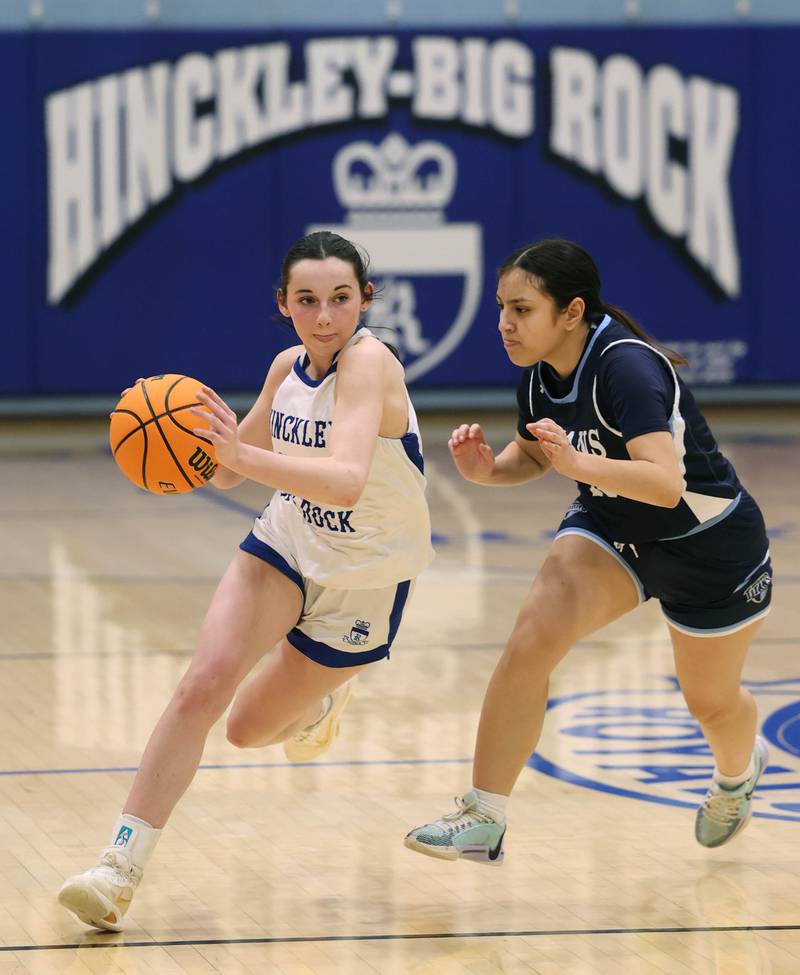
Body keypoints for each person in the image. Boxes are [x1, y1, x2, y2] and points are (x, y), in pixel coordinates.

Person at [58, 230, 434, 931]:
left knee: (248, 728)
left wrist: (241, 456)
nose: (325, 316)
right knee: (202, 684)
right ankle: (117, 866)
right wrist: (190, 443)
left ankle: (328, 694)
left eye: (341, 299)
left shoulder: (370, 364)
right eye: (308, 300)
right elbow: (235, 468)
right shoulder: (286, 367)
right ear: (283, 305)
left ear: (365, 300)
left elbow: (349, 480)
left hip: (365, 575)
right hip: (290, 537)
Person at [404, 238, 772, 864]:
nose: (503, 322)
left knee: (711, 702)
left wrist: (579, 462)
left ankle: (737, 776)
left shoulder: (626, 367)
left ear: (571, 312)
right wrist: (488, 470)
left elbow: (664, 483)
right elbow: (532, 453)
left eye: (520, 309)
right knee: (529, 643)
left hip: (709, 544)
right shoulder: (541, 371)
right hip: (612, 530)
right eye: (501, 307)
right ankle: (483, 815)